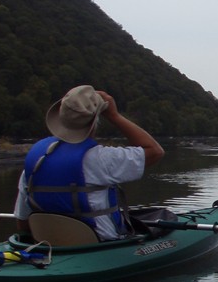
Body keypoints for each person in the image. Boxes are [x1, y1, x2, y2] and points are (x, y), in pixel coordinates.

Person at [14, 85, 164, 240]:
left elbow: (23, 220)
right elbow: (155, 151)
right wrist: (114, 116)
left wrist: (27, 243)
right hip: (98, 243)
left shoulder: (36, 159)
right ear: (94, 121)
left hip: (46, 243)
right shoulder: (101, 159)